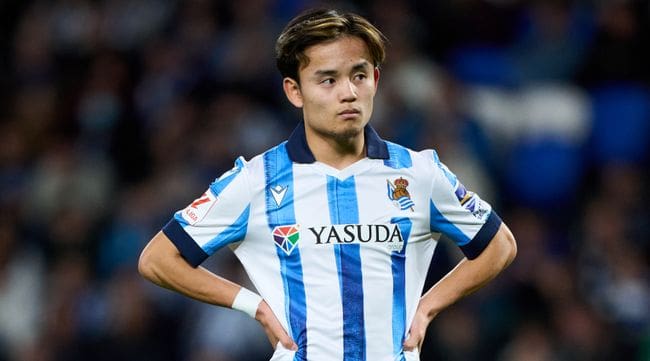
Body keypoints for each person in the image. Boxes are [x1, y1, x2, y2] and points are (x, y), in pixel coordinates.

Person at [138, 8, 517, 361]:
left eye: (359, 75)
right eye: (328, 80)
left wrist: (428, 306)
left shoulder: (417, 174)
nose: (348, 92)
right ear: (294, 91)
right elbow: (158, 260)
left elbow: (499, 245)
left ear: (375, 80)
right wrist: (254, 307)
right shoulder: (256, 181)